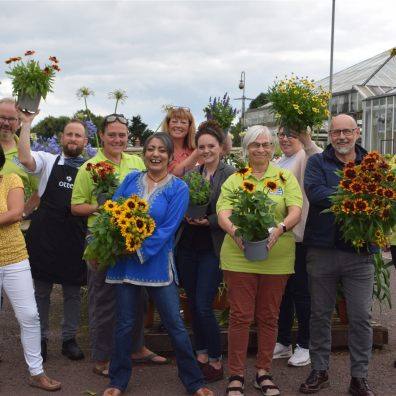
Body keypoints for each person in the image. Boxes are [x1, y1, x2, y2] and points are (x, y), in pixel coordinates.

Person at [103, 132, 213, 396]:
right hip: (126, 264)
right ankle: (117, 382)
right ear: (144, 154)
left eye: (161, 150)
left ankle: (194, 382)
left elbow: (168, 230)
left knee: (175, 324)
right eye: (150, 149)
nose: (155, 154)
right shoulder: (131, 180)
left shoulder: (178, 188)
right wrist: (106, 244)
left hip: (157, 267)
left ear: (170, 155)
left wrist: (138, 248)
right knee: (125, 324)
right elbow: (112, 214)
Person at [71, 114, 166, 377]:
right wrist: (101, 206)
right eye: (112, 134)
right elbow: (76, 206)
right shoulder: (89, 167)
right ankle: (102, 358)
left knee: (138, 297)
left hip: (134, 239)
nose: (117, 139)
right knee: (103, 300)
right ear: (101, 136)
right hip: (102, 241)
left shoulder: (136, 161)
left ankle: (136, 348)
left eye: (122, 135)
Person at [217, 125, 302, 396]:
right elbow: (223, 212)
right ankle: (236, 374)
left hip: (276, 257)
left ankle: (263, 372)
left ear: (273, 147)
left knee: (269, 316)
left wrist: (281, 228)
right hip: (238, 256)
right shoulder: (236, 178)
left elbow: (295, 210)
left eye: (266, 144)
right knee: (240, 316)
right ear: (246, 148)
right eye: (255, 145)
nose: (261, 149)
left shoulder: (285, 177)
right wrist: (235, 232)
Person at [300, 114, 376, 396]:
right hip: (322, 250)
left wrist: (364, 198)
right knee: (319, 314)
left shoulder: (372, 163)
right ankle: (319, 370)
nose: (341, 137)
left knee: (360, 317)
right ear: (329, 136)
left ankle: (359, 377)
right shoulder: (317, 163)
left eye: (347, 131)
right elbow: (316, 193)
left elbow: (385, 197)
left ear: (357, 132)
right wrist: (358, 197)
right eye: (335, 133)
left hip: (360, 254)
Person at [17, 111, 88, 362]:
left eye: (78, 135)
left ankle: (69, 339)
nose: (72, 138)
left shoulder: (92, 169)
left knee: (72, 292)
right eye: (69, 134)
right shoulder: (47, 161)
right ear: (61, 138)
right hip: (45, 235)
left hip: (75, 235)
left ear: (85, 142)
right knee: (41, 292)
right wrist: (26, 124)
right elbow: (25, 158)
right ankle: (41, 338)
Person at [176, 120, 235, 383]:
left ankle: (215, 358)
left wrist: (209, 220)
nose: (206, 150)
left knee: (203, 304)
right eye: (201, 147)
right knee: (192, 301)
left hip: (212, 247)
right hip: (187, 246)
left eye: (211, 146)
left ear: (221, 147)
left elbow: (233, 210)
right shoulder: (192, 175)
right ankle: (200, 354)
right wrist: (187, 216)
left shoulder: (231, 175)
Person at [0, 145, 61, 391]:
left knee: (29, 316)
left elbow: (15, 213)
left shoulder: (11, 179)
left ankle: (37, 373)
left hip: (14, 257)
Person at [272, 128, 322, 367]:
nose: (284, 138)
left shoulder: (306, 157)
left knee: (302, 292)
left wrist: (308, 141)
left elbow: (318, 157)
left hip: (299, 235)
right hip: (279, 237)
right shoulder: (281, 159)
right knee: (283, 292)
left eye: (290, 134)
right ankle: (283, 341)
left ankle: (305, 344)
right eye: (281, 134)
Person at [0, 98, 39, 216]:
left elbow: (39, 189)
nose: (6, 123)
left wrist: (23, 213)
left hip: (9, 226)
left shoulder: (26, 156)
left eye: (11, 119)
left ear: (19, 122)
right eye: (2, 117)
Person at [161, 106, 200, 176]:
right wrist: (199, 150)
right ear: (168, 125)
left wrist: (223, 127)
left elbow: (223, 149)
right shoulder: (162, 150)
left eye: (183, 122)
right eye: (174, 122)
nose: (178, 125)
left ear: (189, 127)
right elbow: (175, 173)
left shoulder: (195, 148)